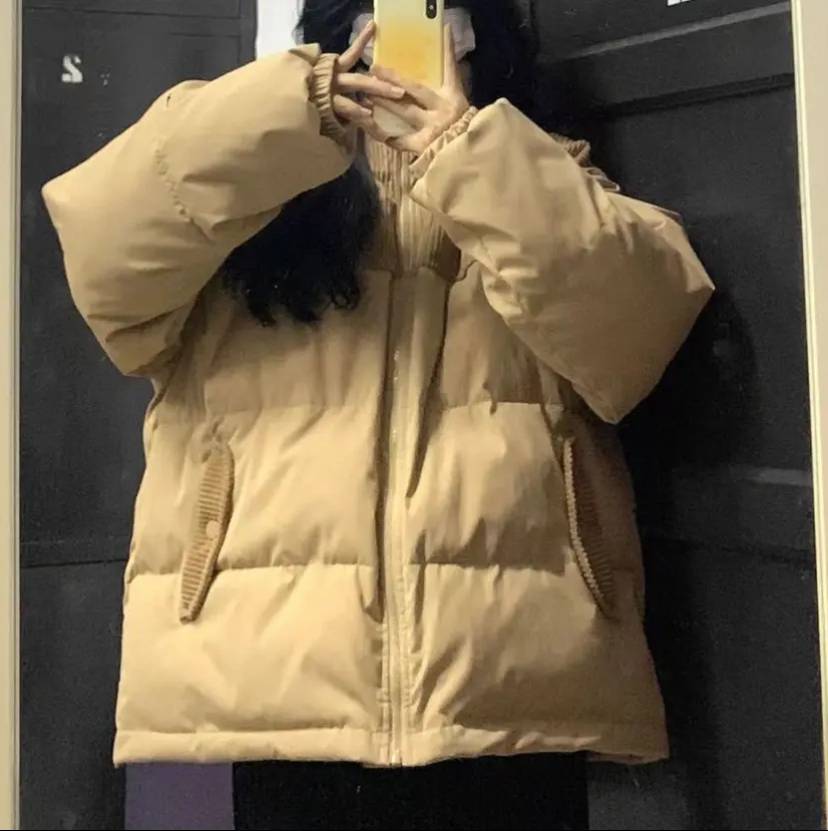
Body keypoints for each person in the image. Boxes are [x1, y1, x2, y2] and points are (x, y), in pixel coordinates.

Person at [40, 0, 716, 828]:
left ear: (479, 42)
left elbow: (637, 335)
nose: (402, 45)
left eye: (437, 20)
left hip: (509, 686)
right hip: (280, 681)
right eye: (377, 18)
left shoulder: (544, 176)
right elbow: (103, 249)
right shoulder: (248, 197)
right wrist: (298, 107)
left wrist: (468, 154)